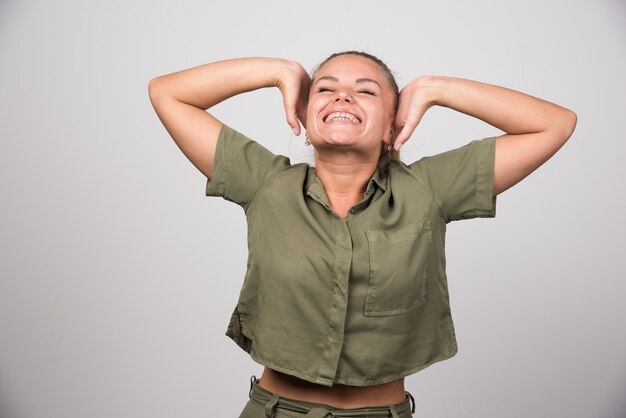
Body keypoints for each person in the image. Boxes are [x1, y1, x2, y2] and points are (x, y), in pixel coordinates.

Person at [148, 52, 576, 417]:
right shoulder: (265, 182)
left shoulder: (429, 190)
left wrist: (435, 88)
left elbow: (554, 124)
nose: (343, 96)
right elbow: (167, 93)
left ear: (394, 125)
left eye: (367, 91)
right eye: (325, 88)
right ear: (303, 112)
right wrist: (277, 70)